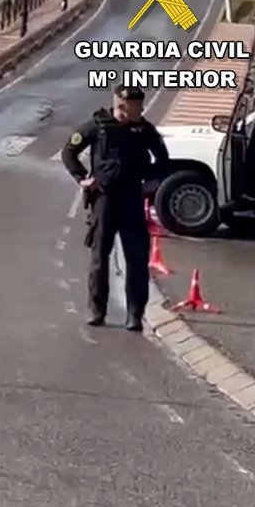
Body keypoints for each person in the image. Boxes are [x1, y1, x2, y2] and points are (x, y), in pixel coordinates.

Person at [60, 85, 170, 331]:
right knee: (100, 259)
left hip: (132, 199)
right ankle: (96, 310)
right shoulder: (98, 125)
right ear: (122, 106)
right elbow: (69, 152)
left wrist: (151, 182)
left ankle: (134, 314)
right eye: (137, 106)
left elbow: (162, 159)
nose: (141, 110)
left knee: (137, 259)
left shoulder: (144, 129)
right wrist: (82, 179)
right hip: (104, 200)